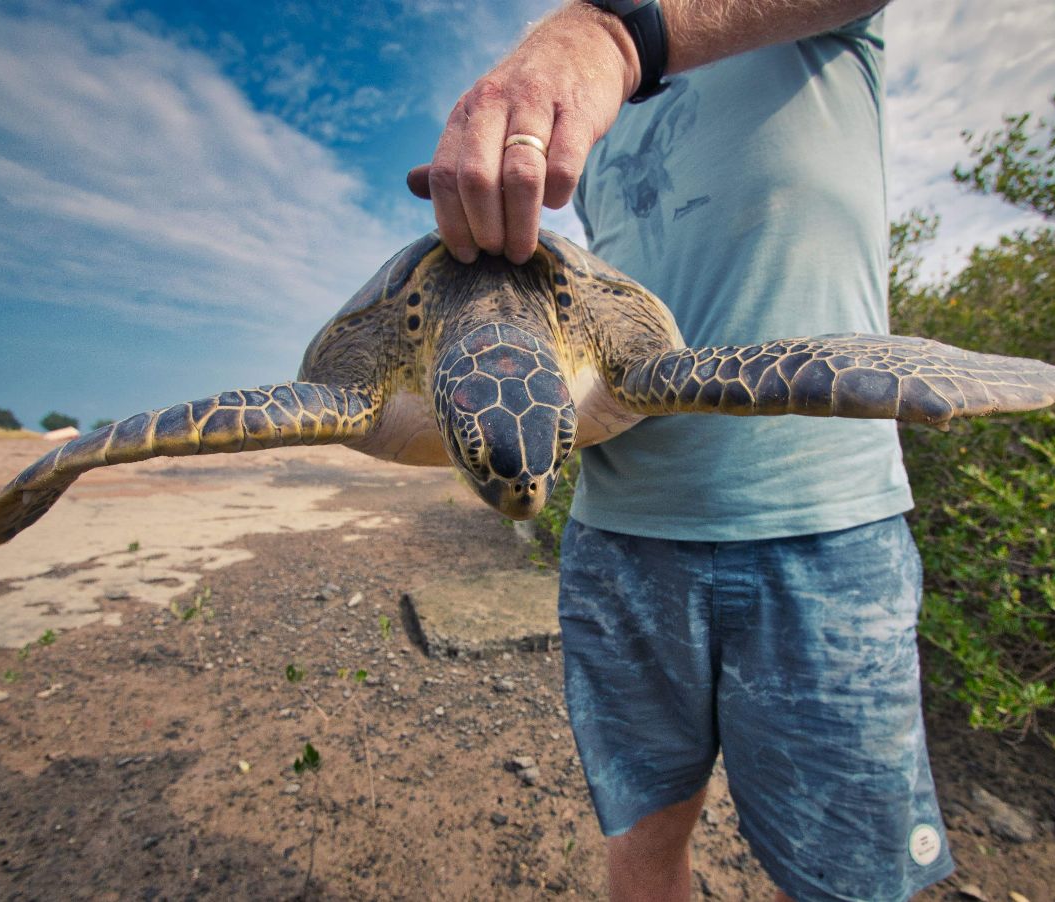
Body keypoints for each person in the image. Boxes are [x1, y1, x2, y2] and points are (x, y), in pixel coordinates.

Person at [408, 2, 954, 899]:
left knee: (851, 881)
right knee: (642, 835)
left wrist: (617, 35)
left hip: (820, 526)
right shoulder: (593, 122)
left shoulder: (776, 30)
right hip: (619, 531)